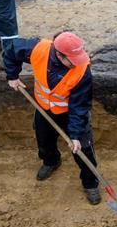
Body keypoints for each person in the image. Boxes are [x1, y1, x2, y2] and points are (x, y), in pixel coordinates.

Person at [6, 32, 101, 205]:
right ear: (59, 54)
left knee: (83, 148)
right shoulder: (38, 49)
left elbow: (79, 106)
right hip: (43, 109)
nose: (77, 64)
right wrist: (12, 75)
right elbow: (11, 50)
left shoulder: (82, 70)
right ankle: (51, 161)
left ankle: (90, 183)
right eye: (72, 60)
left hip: (69, 113)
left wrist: (74, 135)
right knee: (44, 140)